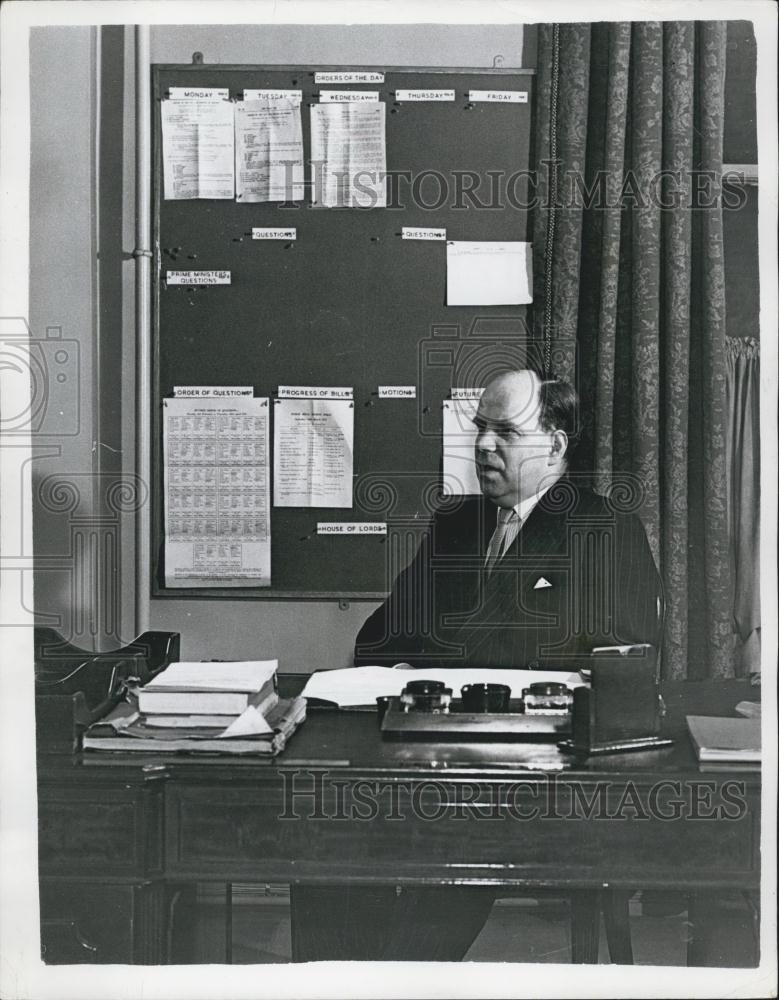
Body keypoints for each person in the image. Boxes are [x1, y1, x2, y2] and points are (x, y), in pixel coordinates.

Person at [291, 370, 662, 962]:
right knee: (322, 830)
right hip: (432, 758)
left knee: (435, 859)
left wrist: (456, 661)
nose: (484, 446)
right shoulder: (454, 526)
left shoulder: (605, 531)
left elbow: (626, 663)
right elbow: (379, 641)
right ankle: (338, 975)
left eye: (505, 433)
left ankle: (391, 978)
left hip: (536, 777)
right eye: (481, 429)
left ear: (557, 445)